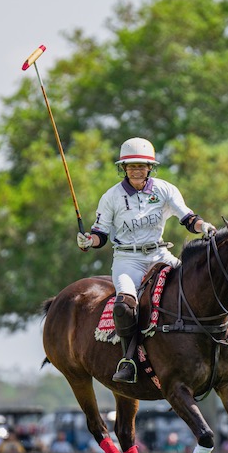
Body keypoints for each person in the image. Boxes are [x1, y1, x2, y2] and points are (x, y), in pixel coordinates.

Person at [76, 137, 216, 383]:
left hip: (159, 255)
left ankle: (206, 349)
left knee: (194, 288)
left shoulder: (165, 190)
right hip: (127, 260)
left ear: (150, 167)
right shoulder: (111, 197)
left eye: (142, 165)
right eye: (131, 166)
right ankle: (129, 359)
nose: (137, 170)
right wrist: (89, 241)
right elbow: (101, 234)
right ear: (124, 168)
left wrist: (203, 226)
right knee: (125, 305)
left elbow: (188, 218)